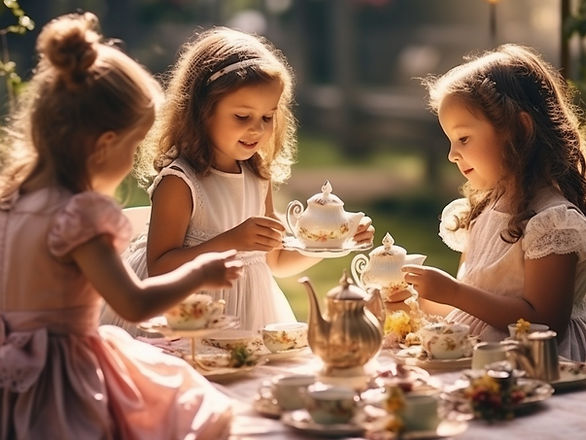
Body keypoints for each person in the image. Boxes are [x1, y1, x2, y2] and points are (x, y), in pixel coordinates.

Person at [0, 12, 243, 439]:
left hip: (12, 376)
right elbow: (134, 304)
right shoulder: (77, 217)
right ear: (105, 144)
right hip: (65, 381)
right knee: (182, 402)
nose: (132, 162)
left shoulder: (10, 203)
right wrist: (200, 273)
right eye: (133, 147)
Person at [102, 26, 374, 333]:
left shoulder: (258, 176)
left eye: (267, 117)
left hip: (250, 312)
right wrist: (230, 241)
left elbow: (277, 261)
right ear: (203, 112)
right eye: (242, 117)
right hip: (189, 317)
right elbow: (160, 268)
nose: (257, 129)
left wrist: (334, 242)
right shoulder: (180, 181)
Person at [402, 44, 586, 362]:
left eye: (464, 138)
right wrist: (415, 298)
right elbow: (471, 306)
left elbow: (544, 320)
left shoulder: (552, 221)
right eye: (450, 141)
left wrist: (454, 292)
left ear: (520, 129)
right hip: (480, 358)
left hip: (533, 364)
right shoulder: (485, 210)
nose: (452, 154)